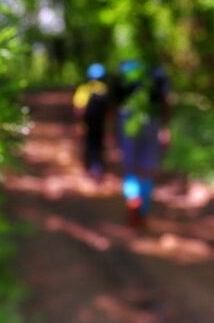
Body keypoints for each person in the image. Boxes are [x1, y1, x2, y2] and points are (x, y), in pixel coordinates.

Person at [112, 59, 170, 228]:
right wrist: (165, 127)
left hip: (127, 120)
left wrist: (112, 129)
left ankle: (132, 196)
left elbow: (114, 103)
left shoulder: (124, 70)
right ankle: (143, 210)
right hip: (152, 121)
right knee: (148, 169)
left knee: (130, 168)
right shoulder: (157, 71)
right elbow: (166, 100)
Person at [72, 63, 110, 182]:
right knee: (98, 145)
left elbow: (78, 108)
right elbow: (109, 109)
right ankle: (98, 168)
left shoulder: (84, 89)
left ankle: (88, 168)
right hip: (100, 124)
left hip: (87, 124)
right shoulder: (104, 89)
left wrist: (79, 124)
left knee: (88, 145)